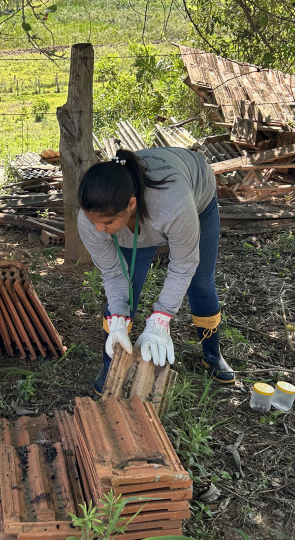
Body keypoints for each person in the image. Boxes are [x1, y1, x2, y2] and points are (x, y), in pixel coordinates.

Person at [78, 147, 234, 395]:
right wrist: (117, 316)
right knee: (129, 288)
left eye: (106, 223)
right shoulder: (92, 220)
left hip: (196, 197)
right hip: (143, 213)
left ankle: (212, 355)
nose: (97, 229)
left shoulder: (175, 205)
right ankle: (112, 364)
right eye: (93, 220)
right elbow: (114, 274)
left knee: (200, 283)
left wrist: (161, 318)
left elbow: (184, 265)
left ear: (130, 204)